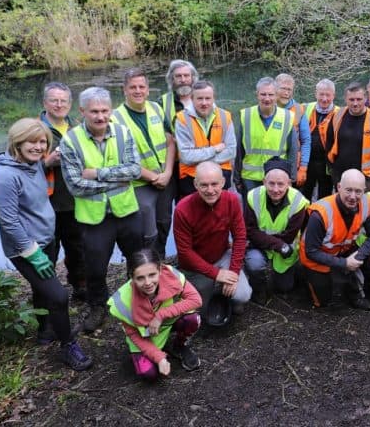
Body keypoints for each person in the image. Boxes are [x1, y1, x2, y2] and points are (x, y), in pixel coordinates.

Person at [0, 118, 92, 371]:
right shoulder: (5, 177)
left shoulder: (33, 164)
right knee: (58, 296)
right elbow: (9, 222)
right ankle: (68, 345)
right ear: (17, 141)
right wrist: (32, 253)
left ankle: (46, 331)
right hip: (26, 248)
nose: (38, 147)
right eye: (31, 142)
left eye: (42, 142)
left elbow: (52, 160)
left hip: (44, 239)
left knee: (41, 291)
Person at [60, 87, 143, 333]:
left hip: (127, 211)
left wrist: (97, 173)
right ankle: (98, 306)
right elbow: (75, 185)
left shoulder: (123, 132)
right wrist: (117, 179)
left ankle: (139, 299)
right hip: (94, 219)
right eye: (94, 111)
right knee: (95, 268)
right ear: (82, 111)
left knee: (138, 260)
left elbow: (135, 171)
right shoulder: (71, 140)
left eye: (105, 110)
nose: (100, 116)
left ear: (111, 109)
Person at [173, 161, 252, 318]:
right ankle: (214, 289)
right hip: (194, 265)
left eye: (215, 184)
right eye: (204, 185)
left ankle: (228, 294)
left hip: (222, 256)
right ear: (195, 184)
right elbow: (185, 252)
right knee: (200, 311)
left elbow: (240, 237)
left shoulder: (231, 201)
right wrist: (216, 274)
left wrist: (233, 273)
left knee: (243, 294)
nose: (210, 190)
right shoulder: (183, 209)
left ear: (223, 182)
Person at [108, 249, 202, 378]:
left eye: (152, 275)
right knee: (149, 374)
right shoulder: (123, 300)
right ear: (131, 277)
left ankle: (179, 346)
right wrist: (159, 358)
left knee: (192, 319)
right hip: (145, 337)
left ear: (160, 269)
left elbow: (196, 300)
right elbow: (134, 335)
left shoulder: (172, 275)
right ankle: (154, 352)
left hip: (165, 325)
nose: (147, 283)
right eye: (140, 278)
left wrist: (160, 315)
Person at [300, 169, 370, 310]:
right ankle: (302, 274)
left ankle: (355, 292)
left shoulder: (367, 203)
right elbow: (311, 251)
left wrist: (357, 257)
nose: (353, 196)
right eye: (348, 190)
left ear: (364, 190)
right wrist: (344, 263)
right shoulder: (321, 213)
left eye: (358, 191)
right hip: (315, 257)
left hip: (344, 249)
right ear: (339, 187)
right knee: (323, 301)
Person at [112, 68, 175, 251]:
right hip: (139, 183)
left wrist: (168, 173)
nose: (138, 91)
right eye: (133, 87)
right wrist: (154, 178)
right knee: (147, 232)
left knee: (164, 224)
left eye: (141, 86)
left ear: (148, 89)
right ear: (124, 90)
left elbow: (170, 143)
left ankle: (160, 266)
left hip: (165, 179)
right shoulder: (115, 118)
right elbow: (120, 159)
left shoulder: (156, 108)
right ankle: (142, 269)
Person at [39, 83, 86, 301]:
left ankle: (79, 285)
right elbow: (19, 169)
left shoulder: (79, 127)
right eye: (54, 100)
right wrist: (47, 162)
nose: (59, 105)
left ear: (70, 104)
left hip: (75, 201)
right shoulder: (34, 129)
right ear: (44, 103)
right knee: (48, 250)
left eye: (63, 101)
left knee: (77, 249)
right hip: (45, 203)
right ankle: (47, 293)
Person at [243, 158, 309, 301]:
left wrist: (274, 243)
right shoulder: (252, 196)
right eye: (271, 183)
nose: (275, 189)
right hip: (265, 247)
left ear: (289, 184)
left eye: (280, 184)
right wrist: (278, 245)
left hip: (285, 249)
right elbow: (250, 230)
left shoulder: (298, 201)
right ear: (263, 182)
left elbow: (290, 236)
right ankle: (258, 289)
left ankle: (293, 273)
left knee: (284, 287)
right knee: (254, 264)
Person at [174, 80, 236, 201]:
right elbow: (186, 157)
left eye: (208, 98)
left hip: (221, 175)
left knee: (221, 217)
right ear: (192, 99)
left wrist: (201, 160)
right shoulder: (182, 119)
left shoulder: (225, 116)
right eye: (199, 98)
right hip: (191, 178)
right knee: (194, 218)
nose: (204, 103)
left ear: (214, 98)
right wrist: (214, 149)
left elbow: (231, 151)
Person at [234, 77, 297, 193]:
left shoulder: (287, 117)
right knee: (251, 210)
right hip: (250, 178)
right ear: (257, 95)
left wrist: (291, 178)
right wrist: (236, 177)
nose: (267, 99)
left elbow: (292, 152)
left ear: (277, 96)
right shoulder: (246, 116)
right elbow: (239, 150)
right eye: (263, 94)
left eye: (271, 95)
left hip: (276, 178)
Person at [325, 81, 370, 184]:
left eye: (359, 99)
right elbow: (329, 143)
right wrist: (331, 166)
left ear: (365, 99)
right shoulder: (337, 115)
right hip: (340, 175)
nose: (355, 103)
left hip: (365, 176)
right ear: (345, 99)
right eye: (351, 100)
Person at [161, 59, 197, 207]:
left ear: (192, 78)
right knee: (169, 210)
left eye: (186, 76)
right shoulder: (161, 102)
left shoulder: (203, 99)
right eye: (178, 76)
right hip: (171, 164)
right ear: (172, 79)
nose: (183, 80)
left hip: (195, 163)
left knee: (194, 206)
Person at [301, 79, 338, 199]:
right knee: (304, 196)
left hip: (327, 164)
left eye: (328, 95)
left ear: (334, 95)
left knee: (325, 197)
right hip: (307, 162)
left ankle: (321, 217)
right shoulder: (304, 108)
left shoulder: (340, 113)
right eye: (321, 94)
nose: (324, 98)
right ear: (315, 94)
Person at [275, 73, 312, 189]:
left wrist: (303, 168)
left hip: (292, 167)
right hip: (271, 165)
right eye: (283, 89)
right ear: (275, 89)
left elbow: (306, 141)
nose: (286, 93)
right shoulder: (267, 107)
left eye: (289, 90)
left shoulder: (298, 110)